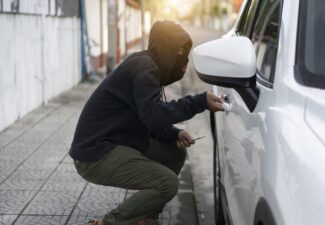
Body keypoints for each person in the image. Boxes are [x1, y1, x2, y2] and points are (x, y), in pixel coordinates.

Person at [69, 20, 224, 225]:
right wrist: (199, 101)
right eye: (180, 53)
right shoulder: (144, 67)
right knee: (167, 184)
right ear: (167, 50)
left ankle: (143, 217)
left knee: (175, 152)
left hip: (115, 141)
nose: (184, 62)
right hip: (95, 153)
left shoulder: (146, 65)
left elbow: (147, 116)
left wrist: (173, 134)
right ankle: (108, 223)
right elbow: (153, 115)